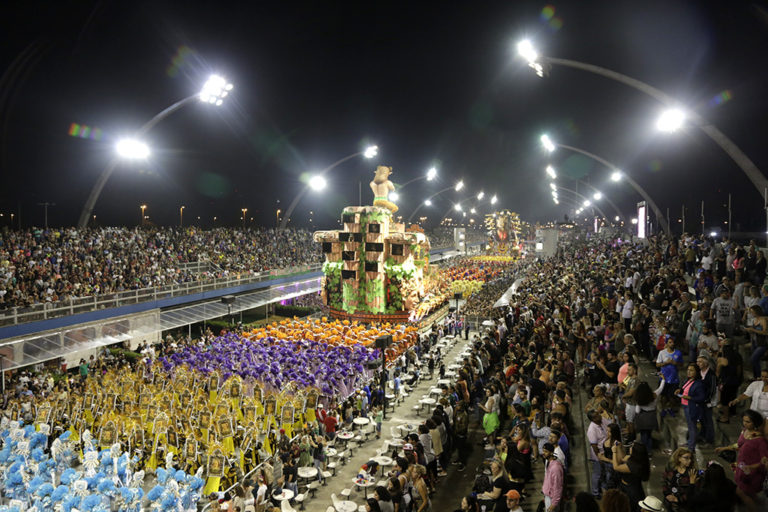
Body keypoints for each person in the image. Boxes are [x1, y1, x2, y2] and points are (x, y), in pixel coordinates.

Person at [714, 409, 768, 511]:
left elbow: (765, 461)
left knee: (740, 492)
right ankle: (758, 503)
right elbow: (738, 445)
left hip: (752, 473)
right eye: (744, 421)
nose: (745, 424)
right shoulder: (744, 431)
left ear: (755, 423)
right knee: (749, 493)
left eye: (748, 422)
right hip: (742, 467)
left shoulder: (760, 440)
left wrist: (751, 467)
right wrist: (724, 448)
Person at [611, 442, 650, 512]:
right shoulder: (636, 459)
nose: (630, 447)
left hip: (631, 490)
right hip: (629, 487)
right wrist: (619, 447)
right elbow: (623, 459)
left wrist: (614, 452)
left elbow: (616, 467)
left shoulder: (634, 466)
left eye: (632, 446)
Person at [677, 363, 706, 451]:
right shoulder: (688, 380)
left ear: (696, 372)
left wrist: (690, 397)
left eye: (691, 370)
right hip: (685, 405)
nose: (688, 372)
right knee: (690, 426)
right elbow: (684, 389)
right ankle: (690, 442)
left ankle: (691, 446)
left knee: (692, 427)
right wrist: (679, 390)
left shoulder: (699, 384)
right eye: (688, 370)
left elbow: (701, 397)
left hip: (692, 407)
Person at [661, 447, 699, 512]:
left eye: (690, 458)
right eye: (686, 458)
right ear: (679, 458)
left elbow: (693, 492)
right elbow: (664, 482)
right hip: (670, 505)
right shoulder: (671, 469)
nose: (689, 460)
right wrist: (667, 495)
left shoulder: (692, 472)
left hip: (685, 506)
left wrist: (678, 499)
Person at [743, 305, 768, 379]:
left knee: (753, 359)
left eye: (752, 312)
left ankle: (759, 376)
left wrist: (753, 330)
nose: (751, 314)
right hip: (754, 342)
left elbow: (765, 332)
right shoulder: (755, 320)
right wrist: (749, 330)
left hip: (762, 343)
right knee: (754, 360)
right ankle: (755, 377)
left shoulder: (763, 320)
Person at [587, 411, 607, 499]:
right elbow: (594, 445)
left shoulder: (602, 422)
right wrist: (598, 456)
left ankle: (602, 487)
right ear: (592, 419)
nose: (599, 416)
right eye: (596, 416)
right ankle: (595, 492)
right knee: (597, 473)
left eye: (598, 414)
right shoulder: (592, 429)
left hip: (605, 451)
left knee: (603, 472)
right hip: (598, 453)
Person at [541, 442, 564, 512]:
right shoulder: (549, 462)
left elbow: (557, 487)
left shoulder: (556, 468)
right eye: (543, 451)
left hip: (552, 498)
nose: (543, 453)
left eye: (546, 451)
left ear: (551, 453)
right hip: (548, 495)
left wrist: (554, 504)